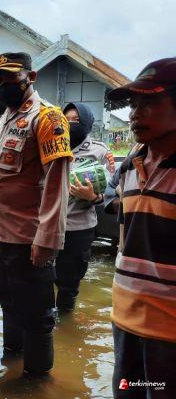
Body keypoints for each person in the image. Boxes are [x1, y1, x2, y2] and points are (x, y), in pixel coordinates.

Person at [0, 52, 72, 375]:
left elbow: (57, 183)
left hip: (28, 241)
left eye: (9, 77)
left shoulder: (47, 118)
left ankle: (35, 380)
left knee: (37, 317)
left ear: (30, 77)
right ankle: (12, 357)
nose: (1, 84)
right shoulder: (3, 120)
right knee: (10, 305)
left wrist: (48, 240)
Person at [106, 58, 176, 399]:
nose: (134, 114)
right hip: (125, 318)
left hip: (170, 333)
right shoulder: (130, 164)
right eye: (133, 104)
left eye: (148, 103)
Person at [54, 102, 114, 312]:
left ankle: (65, 322)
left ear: (87, 122)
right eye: (66, 119)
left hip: (78, 228)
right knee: (42, 278)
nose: (70, 124)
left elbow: (111, 191)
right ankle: (47, 324)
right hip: (48, 225)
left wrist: (93, 197)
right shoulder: (52, 146)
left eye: (76, 120)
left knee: (69, 283)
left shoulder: (100, 151)